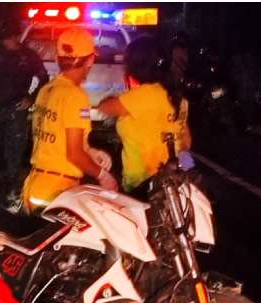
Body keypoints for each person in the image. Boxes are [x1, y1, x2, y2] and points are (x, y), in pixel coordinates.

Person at [21, 27, 117, 214]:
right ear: (90, 60)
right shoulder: (75, 96)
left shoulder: (47, 90)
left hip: (37, 185)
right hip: (58, 191)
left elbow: (56, 137)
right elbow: (73, 154)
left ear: (58, 59)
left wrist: (90, 151)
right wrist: (104, 176)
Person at [97, 36, 191, 193]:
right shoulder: (177, 97)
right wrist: (188, 171)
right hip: (174, 184)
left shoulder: (142, 95)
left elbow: (105, 108)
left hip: (143, 183)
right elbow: (186, 142)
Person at [0, 21, 48, 199]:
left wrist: (30, 99)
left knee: (15, 149)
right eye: (4, 37)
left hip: (17, 108)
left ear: (16, 37)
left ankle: (13, 186)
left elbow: (42, 78)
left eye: (9, 37)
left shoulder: (28, 56)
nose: (6, 41)